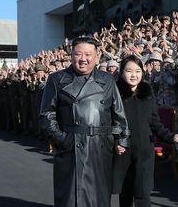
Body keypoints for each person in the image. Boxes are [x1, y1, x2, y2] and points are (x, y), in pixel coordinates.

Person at [40, 37, 130, 207]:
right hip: (71, 146)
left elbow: (118, 112)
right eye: (78, 54)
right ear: (71, 55)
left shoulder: (108, 79)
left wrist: (121, 139)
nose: (83, 59)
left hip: (100, 146)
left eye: (88, 54)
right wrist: (62, 139)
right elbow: (46, 115)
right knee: (70, 197)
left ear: (96, 56)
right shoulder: (56, 79)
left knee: (99, 197)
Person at [112, 55, 178, 207]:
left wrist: (171, 137)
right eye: (129, 71)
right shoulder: (114, 95)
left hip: (144, 151)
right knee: (125, 192)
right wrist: (115, 142)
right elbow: (108, 123)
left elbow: (155, 123)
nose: (134, 75)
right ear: (121, 73)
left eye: (137, 71)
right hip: (123, 150)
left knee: (143, 192)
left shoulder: (147, 94)